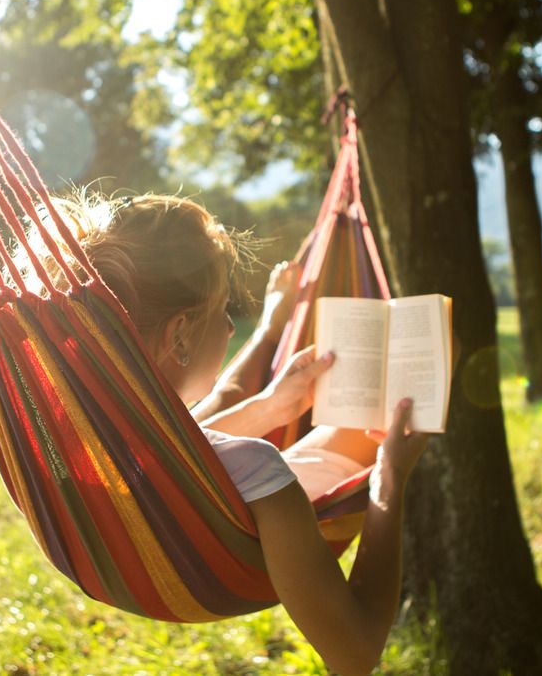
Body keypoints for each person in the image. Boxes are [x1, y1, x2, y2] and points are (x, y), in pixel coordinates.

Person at [56, 192, 430, 676]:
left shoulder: (91, 426)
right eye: (223, 308)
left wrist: (272, 405)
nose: (232, 324)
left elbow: (183, 448)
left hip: (127, 544)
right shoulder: (256, 466)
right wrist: (390, 479)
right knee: (371, 426)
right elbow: (355, 654)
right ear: (180, 334)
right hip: (222, 546)